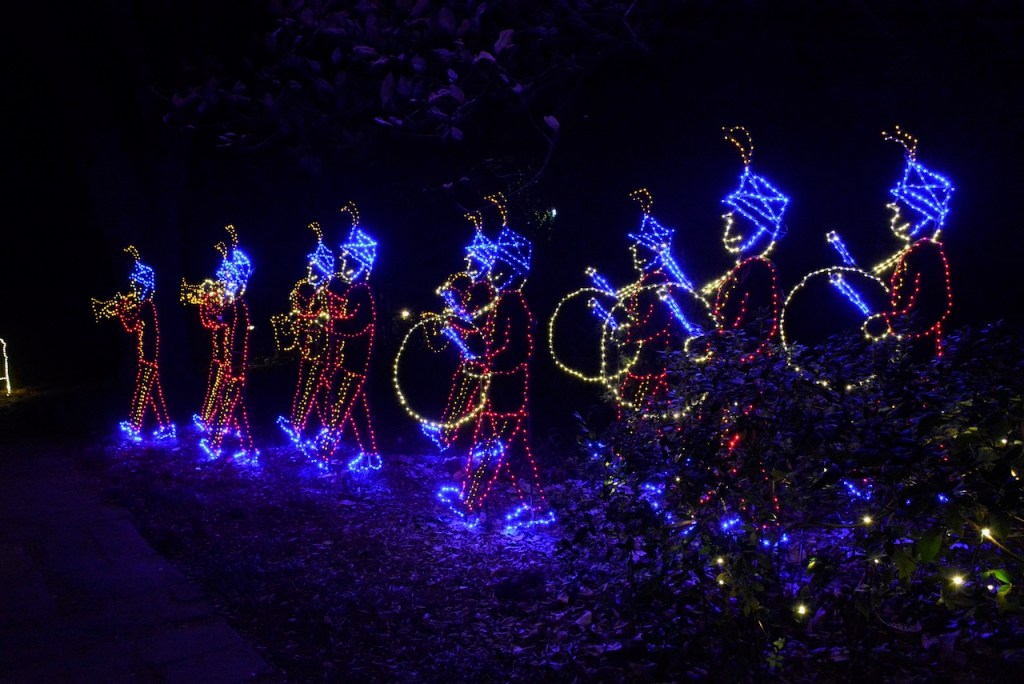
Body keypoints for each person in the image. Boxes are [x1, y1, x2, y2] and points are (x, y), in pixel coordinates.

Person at [455, 195, 551, 530]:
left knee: (495, 448)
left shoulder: (513, 304)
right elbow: (492, 342)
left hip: (507, 390)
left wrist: (487, 361)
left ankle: (473, 503)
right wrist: (469, 341)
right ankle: (531, 505)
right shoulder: (502, 304)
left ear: (510, 272)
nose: (490, 272)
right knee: (503, 449)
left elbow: (515, 350)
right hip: (498, 388)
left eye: (497, 267)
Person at [863, 126, 954, 359]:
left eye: (900, 211)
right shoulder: (913, 252)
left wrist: (890, 322)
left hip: (920, 347)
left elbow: (935, 304)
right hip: (906, 344)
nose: (894, 218)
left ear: (920, 216)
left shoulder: (927, 253)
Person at [705, 126, 789, 362]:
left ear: (755, 226)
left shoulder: (760, 268)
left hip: (751, 360)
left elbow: (759, 319)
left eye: (734, 219)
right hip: (735, 355)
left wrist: (727, 344)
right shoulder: (742, 269)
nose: (727, 223)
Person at [320, 204, 381, 472]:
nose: (342, 263)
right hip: (349, 361)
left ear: (358, 263)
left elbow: (357, 325)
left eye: (346, 259)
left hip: (355, 362)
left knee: (340, 408)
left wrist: (332, 322)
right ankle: (370, 454)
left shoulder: (362, 291)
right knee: (357, 410)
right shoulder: (352, 291)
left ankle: (323, 452)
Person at [93, 246, 174, 442]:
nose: (133, 289)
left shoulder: (146, 306)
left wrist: (121, 311)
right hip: (147, 354)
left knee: (143, 389)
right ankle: (165, 427)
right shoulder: (144, 306)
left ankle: (135, 426)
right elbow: (133, 325)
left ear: (144, 287)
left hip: (149, 355)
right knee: (152, 392)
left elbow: (131, 326)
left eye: (136, 286)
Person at [200, 226, 257, 464]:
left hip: (234, 361)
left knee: (229, 401)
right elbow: (214, 323)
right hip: (230, 360)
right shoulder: (233, 305)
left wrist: (210, 309)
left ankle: (215, 444)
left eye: (227, 279)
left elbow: (225, 327)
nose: (223, 284)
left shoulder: (237, 306)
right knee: (235, 404)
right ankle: (248, 448)